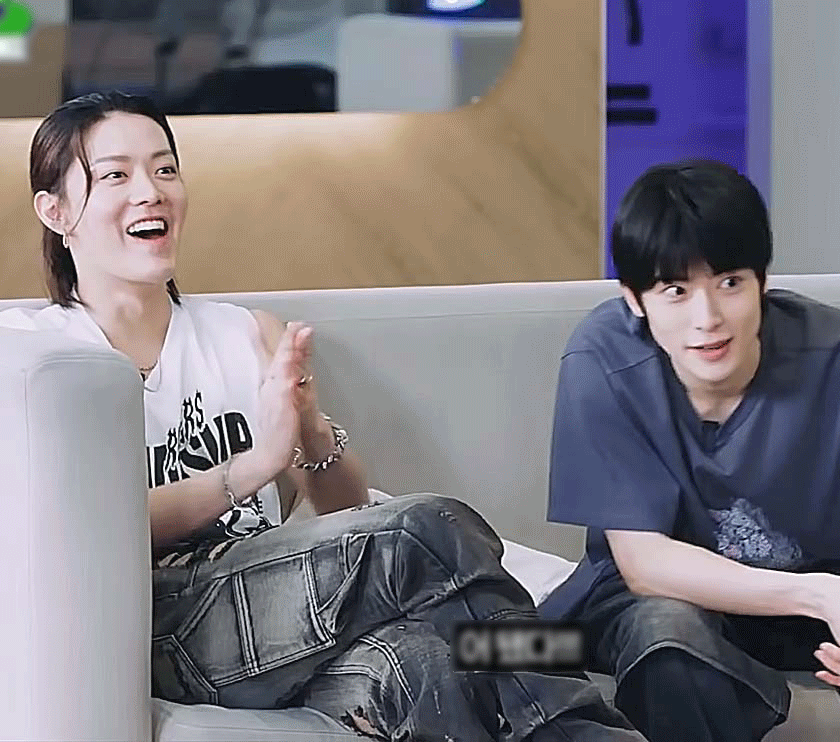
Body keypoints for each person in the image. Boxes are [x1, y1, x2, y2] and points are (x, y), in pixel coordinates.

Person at [2, 91, 646, 742]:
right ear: (55, 211)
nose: (151, 191)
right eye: (115, 175)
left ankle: (568, 688)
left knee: (427, 662)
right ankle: (583, 722)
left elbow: (345, 510)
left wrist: (307, 430)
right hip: (156, 617)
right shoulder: (34, 358)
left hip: (282, 608)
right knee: (426, 527)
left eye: (165, 169)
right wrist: (251, 468)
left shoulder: (244, 334)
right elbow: (80, 532)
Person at [538, 159, 840, 741]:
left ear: (762, 280)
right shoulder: (603, 359)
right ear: (635, 300)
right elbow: (645, 564)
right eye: (676, 291)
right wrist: (821, 596)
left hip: (826, 592)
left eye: (730, 283)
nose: (708, 319)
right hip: (660, 600)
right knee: (666, 637)